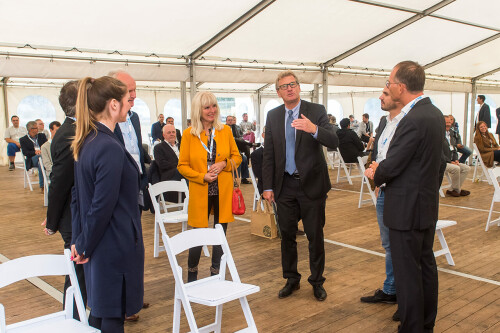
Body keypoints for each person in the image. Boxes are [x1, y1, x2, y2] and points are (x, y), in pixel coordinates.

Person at [365, 61, 443, 332]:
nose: (387, 87)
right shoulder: (433, 113)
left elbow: (393, 165)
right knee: (425, 267)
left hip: (405, 208)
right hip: (424, 205)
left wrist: (377, 170)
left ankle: (412, 327)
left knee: (408, 274)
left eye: (389, 83)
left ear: (400, 86)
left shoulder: (413, 119)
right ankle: (425, 323)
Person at [71, 76, 144, 332]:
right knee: (111, 317)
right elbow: (101, 205)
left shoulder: (88, 142)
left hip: (98, 246)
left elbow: (78, 198)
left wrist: (80, 241)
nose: (129, 106)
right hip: (114, 245)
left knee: (100, 315)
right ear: (113, 105)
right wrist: (84, 244)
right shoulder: (108, 146)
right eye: (126, 101)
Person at [262, 70, 338, 302]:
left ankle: (317, 281)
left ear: (299, 87)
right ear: (278, 92)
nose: (289, 89)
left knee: (315, 236)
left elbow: (333, 141)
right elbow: (269, 154)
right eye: (284, 86)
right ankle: (291, 279)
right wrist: (267, 186)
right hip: (284, 186)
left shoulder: (316, 111)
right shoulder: (273, 116)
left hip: (312, 186)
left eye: (293, 84)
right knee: (287, 235)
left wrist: (313, 129)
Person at [177, 91, 241, 283]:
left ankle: (216, 275)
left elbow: (237, 157)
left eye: (214, 106)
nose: (212, 110)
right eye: (207, 107)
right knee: (197, 236)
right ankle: (192, 276)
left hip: (222, 190)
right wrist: (201, 176)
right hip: (201, 190)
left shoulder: (225, 131)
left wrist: (224, 164)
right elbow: (182, 166)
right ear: (199, 110)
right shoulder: (189, 134)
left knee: (220, 235)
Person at [43, 81, 87, 320]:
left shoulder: (76, 129)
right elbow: (59, 183)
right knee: (76, 275)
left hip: (76, 213)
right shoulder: (71, 134)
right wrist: (52, 221)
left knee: (80, 273)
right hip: (73, 218)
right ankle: (71, 320)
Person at [109, 70, 150, 319]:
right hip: (116, 192)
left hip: (135, 188)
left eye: (135, 89)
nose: (134, 95)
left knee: (136, 246)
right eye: (128, 90)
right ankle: (122, 304)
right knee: (120, 247)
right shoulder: (104, 121)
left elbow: (136, 150)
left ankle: (133, 297)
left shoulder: (133, 118)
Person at [360, 87, 403, 313]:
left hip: (400, 193)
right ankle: (390, 290)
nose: (380, 97)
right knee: (388, 245)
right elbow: (377, 155)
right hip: (384, 190)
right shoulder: (384, 123)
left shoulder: (408, 123)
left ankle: (401, 296)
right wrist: (378, 183)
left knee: (400, 247)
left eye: (385, 93)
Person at [443, 116, 470, 197]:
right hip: (442, 162)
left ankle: (453, 189)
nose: (448, 124)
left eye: (449, 122)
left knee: (466, 168)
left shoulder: (451, 133)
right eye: (446, 122)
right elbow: (439, 152)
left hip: (451, 161)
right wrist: (449, 161)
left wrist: (456, 160)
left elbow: (454, 148)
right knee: (456, 169)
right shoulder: (438, 134)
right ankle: (457, 190)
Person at [20, 121, 47, 190]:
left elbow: (47, 146)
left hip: (42, 158)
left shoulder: (42, 136)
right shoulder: (23, 140)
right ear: (30, 129)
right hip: (32, 159)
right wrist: (35, 152)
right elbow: (25, 153)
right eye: (36, 128)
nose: (37, 130)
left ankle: (43, 185)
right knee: (40, 158)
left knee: (41, 163)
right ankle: (43, 185)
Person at [250, 128, 265, 195]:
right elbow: (260, 175)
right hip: (267, 187)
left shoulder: (282, 151)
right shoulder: (256, 154)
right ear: (263, 135)